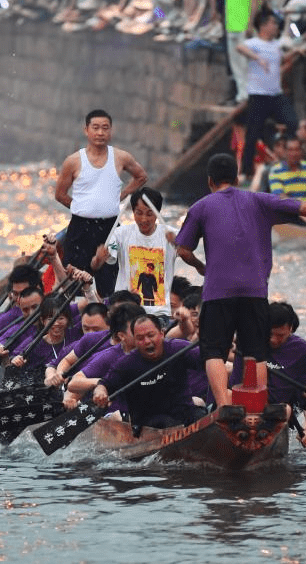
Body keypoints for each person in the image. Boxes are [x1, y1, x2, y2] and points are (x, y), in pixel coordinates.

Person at [174, 153, 306, 409]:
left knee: (214, 352)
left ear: (210, 181)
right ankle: (259, 407)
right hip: (255, 291)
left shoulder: (201, 206)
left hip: (218, 292)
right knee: (256, 352)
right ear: (237, 177)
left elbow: (183, 250)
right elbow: (299, 206)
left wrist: (201, 267)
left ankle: (223, 408)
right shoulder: (260, 201)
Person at [54, 109, 148, 297]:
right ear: (86, 130)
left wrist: (120, 196)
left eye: (105, 128)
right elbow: (60, 194)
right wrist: (81, 207)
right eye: (95, 128)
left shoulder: (121, 157)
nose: (100, 133)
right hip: (80, 228)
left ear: (110, 131)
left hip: (110, 227)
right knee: (73, 284)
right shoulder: (73, 161)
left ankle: (108, 320)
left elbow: (141, 177)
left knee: (110, 283)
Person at [231, 302, 306, 447]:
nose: (273, 339)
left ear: (290, 329)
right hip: (241, 405)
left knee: (287, 409)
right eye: (270, 333)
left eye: (280, 335)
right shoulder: (250, 340)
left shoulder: (302, 350)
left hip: (275, 412)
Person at [92, 314, 208, 430]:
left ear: (161, 334)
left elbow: (209, 360)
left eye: (151, 335)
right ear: (135, 341)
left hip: (185, 414)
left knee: (202, 416)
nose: (147, 341)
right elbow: (103, 384)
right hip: (149, 426)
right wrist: (100, 393)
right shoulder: (127, 364)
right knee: (165, 423)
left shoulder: (177, 348)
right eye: (140, 338)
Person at [90, 186, 179, 316]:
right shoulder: (120, 234)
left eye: (149, 214)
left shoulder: (172, 235)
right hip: (125, 311)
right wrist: (98, 258)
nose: (144, 219)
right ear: (133, 211)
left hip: (158, 313)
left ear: (158, 213)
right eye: (139, 213)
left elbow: (190, 257)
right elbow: (95, 266)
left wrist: (179, 245)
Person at [236, 12, 301, 177]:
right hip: (258, 95)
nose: (276, 27)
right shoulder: (254, 43)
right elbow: (240, 47)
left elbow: (280, 62)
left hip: (275, 94)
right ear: (263, 26)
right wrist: (258, 58)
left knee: (292, 122)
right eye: (272, 23)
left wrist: (296, 54)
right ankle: (245, 171)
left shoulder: (276, 45)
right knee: (252, 133)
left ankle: (288, 156)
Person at [222, 0, 262, 106]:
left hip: (245, 26)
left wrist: (250, 23)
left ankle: (250, 93)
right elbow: (227, 1)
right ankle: (241, 94)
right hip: (231, 25)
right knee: (235, 63)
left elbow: (255, 1)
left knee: (246, 62)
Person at [268, 137, 306, 203]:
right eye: (290, 150)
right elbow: (280, 197)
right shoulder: (276, 171)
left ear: (301, 151)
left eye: (297, 149)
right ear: (285, 151)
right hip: (288, 210)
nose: (294, 153)